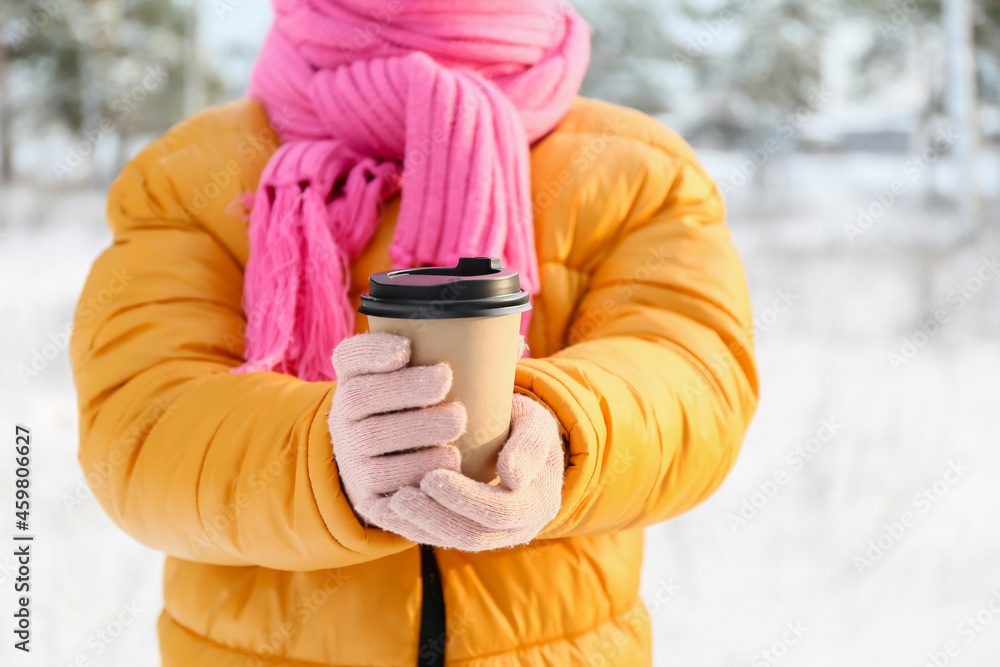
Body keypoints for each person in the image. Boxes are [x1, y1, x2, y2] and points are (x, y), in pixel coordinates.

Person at [70, 1, 758, 665]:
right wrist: (324, 459)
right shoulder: (190, 174)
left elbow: (694, 373)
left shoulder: (636, 169)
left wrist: (570, 428)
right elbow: (139, 423)